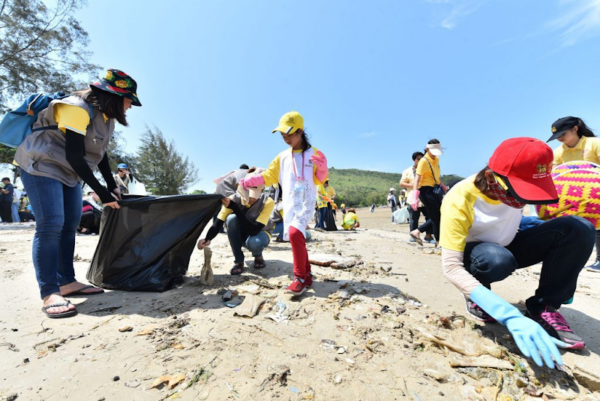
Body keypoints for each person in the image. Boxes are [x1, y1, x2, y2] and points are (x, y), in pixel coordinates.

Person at [441, 137, 594, 370]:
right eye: (519, 194)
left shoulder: (514, 189)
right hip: (478, 255)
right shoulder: (460, 197)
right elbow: (451, 267)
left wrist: (566, 269)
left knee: (579, 228)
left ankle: (543, 307)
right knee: (496, 260)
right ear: (491, 177)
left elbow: (513, 220)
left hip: (508, 242)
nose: (522, 201)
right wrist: (508, 314)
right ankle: (477, 294)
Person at [14, 68, 141, 318]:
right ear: (115, 97)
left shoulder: (106, 118)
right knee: (51, 224)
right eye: (129, 101)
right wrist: (103, 194)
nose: (129, 107)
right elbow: (74, 155)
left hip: (69, 172)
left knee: (70, 224)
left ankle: (66, 282)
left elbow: (100, 153)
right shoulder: (76, 108)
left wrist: (111, 185)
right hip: (41, 164)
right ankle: (50, 291)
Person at [239, 111, 328, 295]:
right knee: (298, 237)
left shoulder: (314, 154)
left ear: (300, 131)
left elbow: (320, 180)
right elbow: (269, 176)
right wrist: (250, 180)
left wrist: (322, 169)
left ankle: (299, 277)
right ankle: (307, 275)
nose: (286, 139)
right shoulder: (282, 157)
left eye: (289, 134)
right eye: (282, 135)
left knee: (294, 234)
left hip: (306, 202)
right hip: (289, 203)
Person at [548, 116, 600, 273]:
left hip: (596, 191)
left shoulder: (594, 143)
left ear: (575, 129)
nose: (560, 138)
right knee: (573, 225)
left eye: (562, 134)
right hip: (574, 195)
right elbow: (555, 176)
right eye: (557, 136)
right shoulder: (558, 152)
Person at [198, 171, 274, 275]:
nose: (250, 200)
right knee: (231, 219)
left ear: (262, 190)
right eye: (248, 196)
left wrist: (235, 207)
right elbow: (218, 223)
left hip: (260, 233)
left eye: (254, 197)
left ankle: (258, 255)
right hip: (242, 233)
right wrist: (207, 238)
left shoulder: (268, 202)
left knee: (254, 243)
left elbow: (254, 230)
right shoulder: (233, 199)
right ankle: (239, 261)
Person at [410, 139, 446, 246]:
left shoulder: (437, 160)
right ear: (427, 149)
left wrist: (443, 186)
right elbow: (417, 179)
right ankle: (438, 242)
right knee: (436, 216)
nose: (435, 154)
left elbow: (435, 176)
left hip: (435, 189)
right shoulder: (423, 161)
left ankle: (417, 231)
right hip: (425, 191)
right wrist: (414, 198)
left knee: (441, 214)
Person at [400, 152, 434, 244]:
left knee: (430, 217)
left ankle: (428, 236)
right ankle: (413, 235)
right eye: (418, 159)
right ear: (414, 160)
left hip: (426, 198)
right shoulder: (407, 171)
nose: (420, 161)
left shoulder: (427, 170)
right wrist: (414, 184)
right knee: (414, 218)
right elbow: (401, 183)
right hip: (413, 199)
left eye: (422, 159)